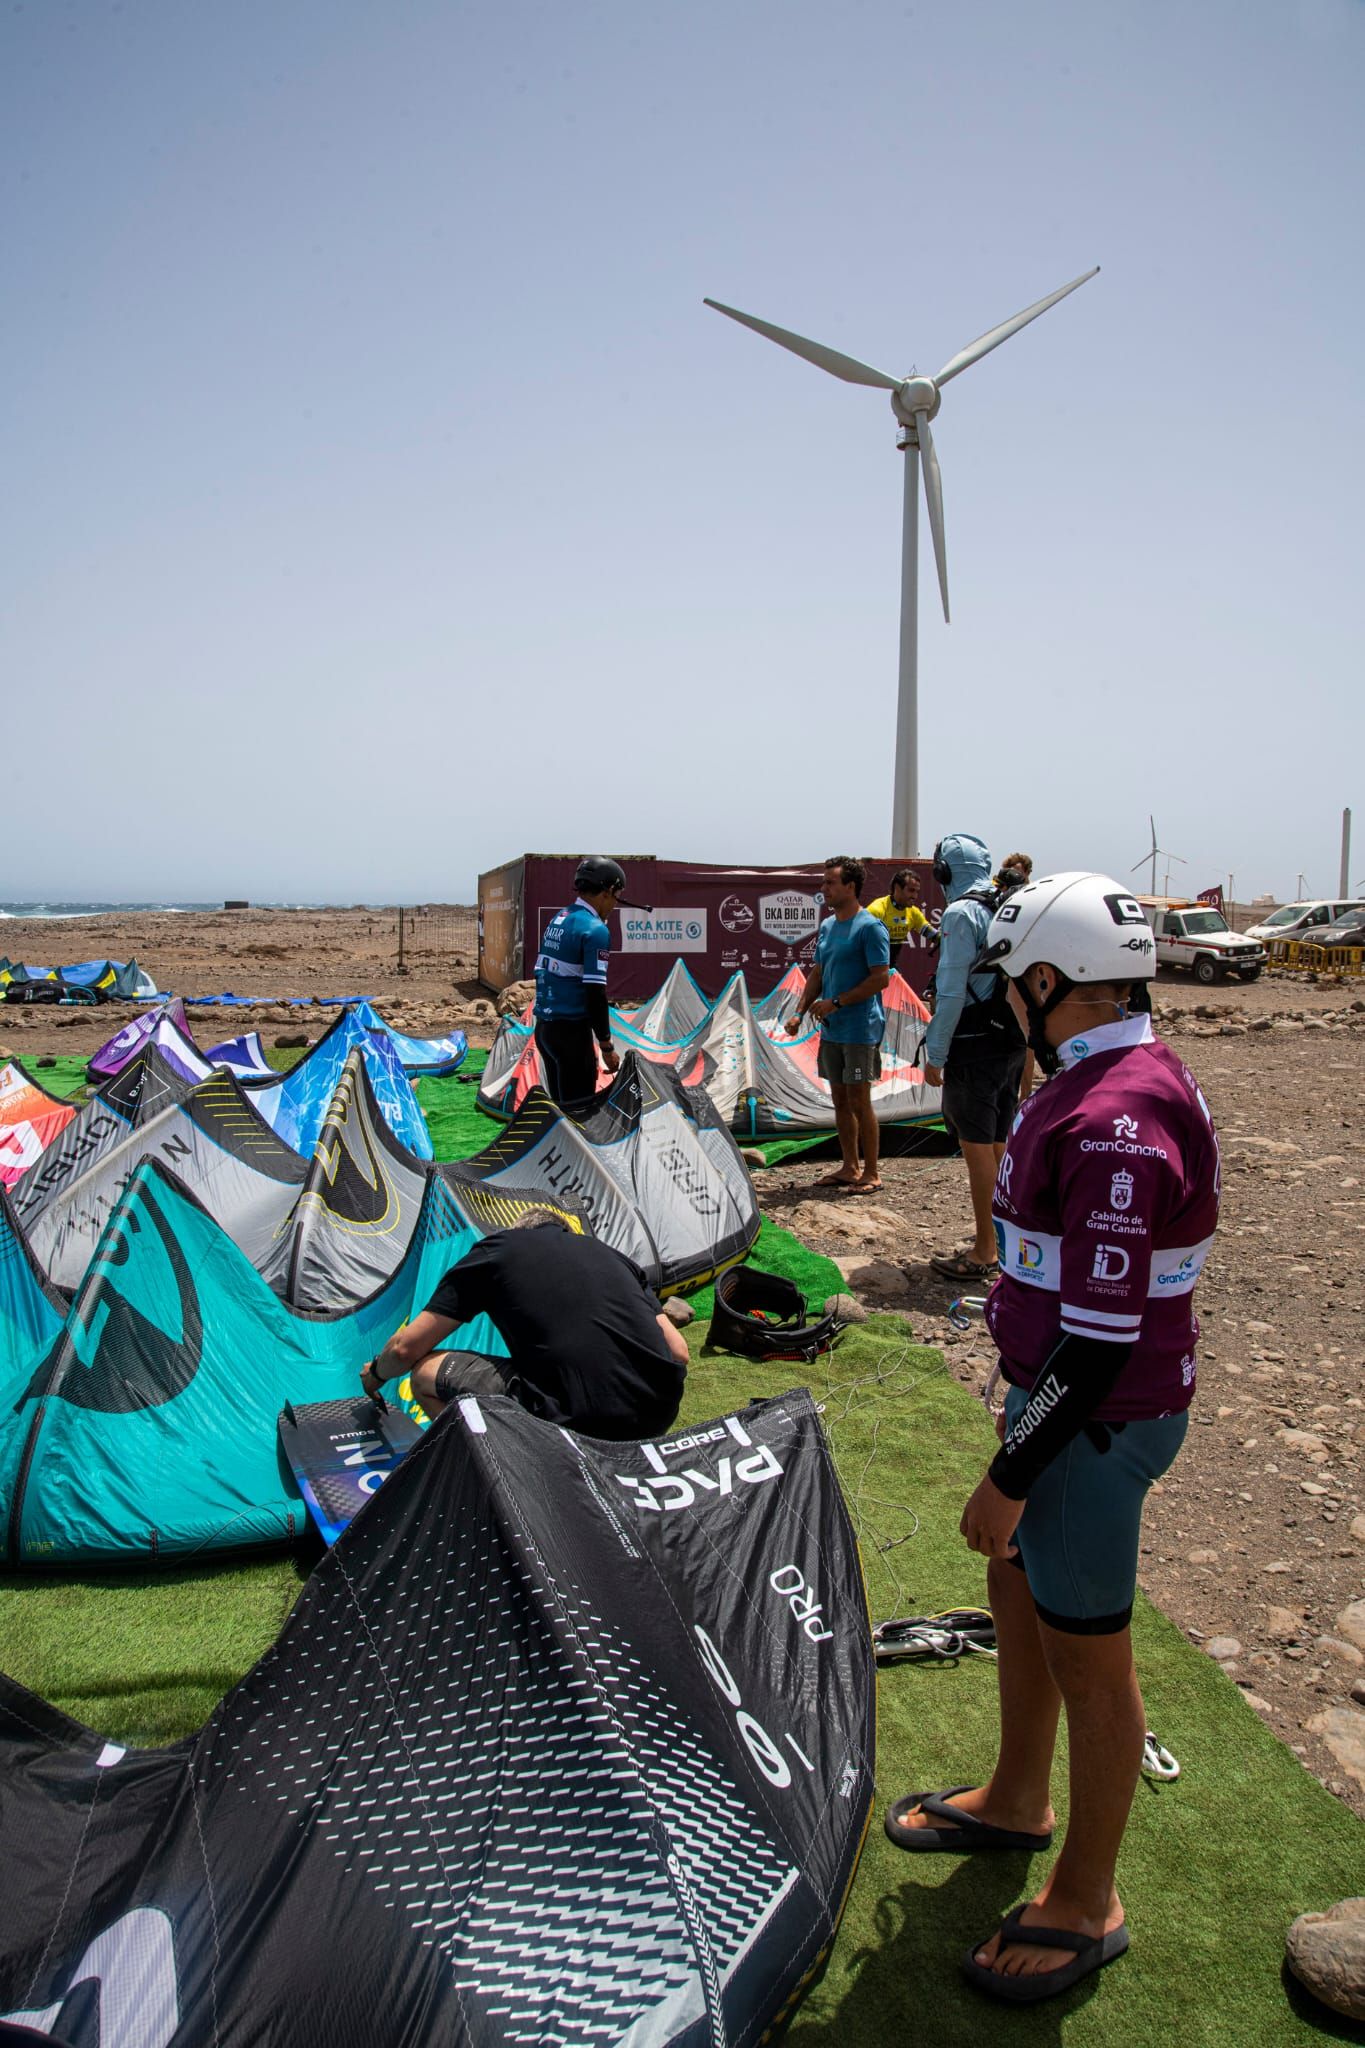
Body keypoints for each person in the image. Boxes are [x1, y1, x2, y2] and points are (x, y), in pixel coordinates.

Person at [884, 871, 1219, 2005]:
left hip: (1085, 1421)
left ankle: (1086, 1894)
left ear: (1042, 981)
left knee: (1091, 1657)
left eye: (1007, 987)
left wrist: (1008, 1468)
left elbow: (1100, 1342)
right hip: (1058, 1402)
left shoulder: (1116, 1116)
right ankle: (1019, 1795)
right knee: (1018, 1593)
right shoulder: (1096, 1076)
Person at [360, 1211, 691, 1439]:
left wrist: (375, 1375)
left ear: (518, 1229)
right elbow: (678, 1351)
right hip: (656, 1415)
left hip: (581, 1419)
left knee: (425, 1373)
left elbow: (405, 1349)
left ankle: (492, 1471)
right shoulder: (613, 1255)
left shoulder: (499, 1250)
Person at [921, 833, 1026, 1281]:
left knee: (978, 1150)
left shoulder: (962, 914)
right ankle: (1006, 1241)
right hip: (1010, 1043)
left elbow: (949, 994)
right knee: (1000, 1146)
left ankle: (985, 1250)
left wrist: (935, 1055)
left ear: (944, 873)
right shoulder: (1009, 902)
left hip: (974, 1043)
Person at [784, 855, 891, 1193]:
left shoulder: (871, 927)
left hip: (860, 1029)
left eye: (830, 882)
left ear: (851, 886)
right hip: (832, 1029)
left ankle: (872, 1173)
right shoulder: (828, 926)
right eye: (823, 882)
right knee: (840, 1100)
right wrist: (799, 1012)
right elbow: (818, 972)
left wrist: (838, 1002)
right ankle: (849, 1166)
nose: (823, 888)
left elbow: (880, 979)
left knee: (861, 1099)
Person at [533, 856, 628, 1114]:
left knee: (563, 1114)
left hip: (545, 1030)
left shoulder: (561, 917)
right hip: (570, 1035)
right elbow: (595, 992)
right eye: (617, 896)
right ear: (608, 891)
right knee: (580, 1117)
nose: (614, 904)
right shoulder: (595, 929)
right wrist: (606, 1045)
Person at [865, 867, 933, 971]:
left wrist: (943, 937)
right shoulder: (877, 910)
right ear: (897, 888)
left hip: (890, 968)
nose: (915, 896)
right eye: (911, 890)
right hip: (867, 968)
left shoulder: (913, 913)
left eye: (917, 892)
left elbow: (932, 934)